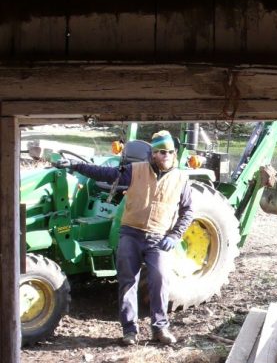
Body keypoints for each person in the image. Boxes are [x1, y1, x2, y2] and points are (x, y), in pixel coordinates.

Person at [49, 129, 194, 346]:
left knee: (160, 280)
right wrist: (75, 165)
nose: (166, 155)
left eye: (170, 152)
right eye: (161, 151)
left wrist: (175, 234)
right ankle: (130, 331)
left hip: (158, 238)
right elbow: (104, 174)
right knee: (127, 282)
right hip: (131, 233)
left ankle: (160, 328)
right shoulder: (135, 170)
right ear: (153, 154)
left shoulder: (181, 178)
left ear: (174, 153)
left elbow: (188, 211)